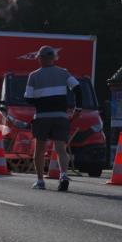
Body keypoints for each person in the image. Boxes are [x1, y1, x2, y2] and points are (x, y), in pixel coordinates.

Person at [25, 45, 82, 191]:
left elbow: (28, 99)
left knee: (39, 149)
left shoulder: (34, 75)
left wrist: (41, 99)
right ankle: (63, 175)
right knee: (61, 148)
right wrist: (78, 109)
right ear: (53, 58)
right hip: (61, 116)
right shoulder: (63, 73)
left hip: (42, 117)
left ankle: (40, 181)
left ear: (41, 58)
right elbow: (77, 88)